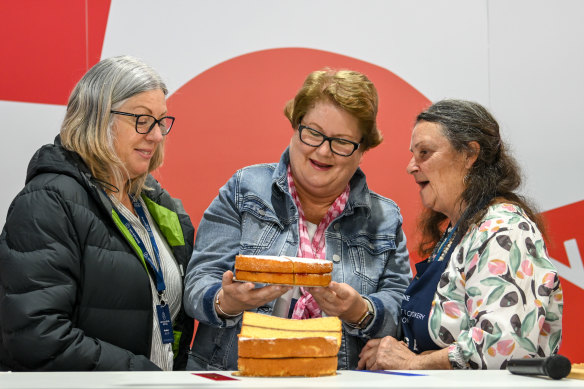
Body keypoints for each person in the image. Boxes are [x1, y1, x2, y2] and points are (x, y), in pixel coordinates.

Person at [183, 68, 412, 370]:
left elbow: (401, 307)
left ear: (363, 149)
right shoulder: (244, 190)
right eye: (313, 133)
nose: (323, 151)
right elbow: (197, 284)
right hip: (238, 377)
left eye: (341, 142)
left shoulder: (385, 219)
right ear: (295, 125)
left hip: (336, 381)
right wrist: (226, 302)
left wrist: (362, 311)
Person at [0, 56, 195, 371]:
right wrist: (141, 375)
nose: (157, 135)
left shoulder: (158, 204)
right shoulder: (47, 202)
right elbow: (35, 335)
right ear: (98, 118)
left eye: (161, 121)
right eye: (142, 120)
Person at [358, 99, 563, 370]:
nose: (411, 166)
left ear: (469, 154)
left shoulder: (504, 231)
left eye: (425, 153)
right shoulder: (460, 231)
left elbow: (503, 346)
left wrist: (414, 363)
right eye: (413, 154)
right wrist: (393, 348)